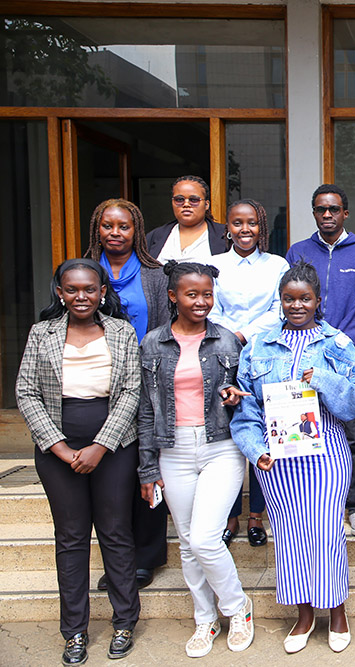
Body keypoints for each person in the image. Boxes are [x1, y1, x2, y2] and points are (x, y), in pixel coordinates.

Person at [231, 260, 355, 655]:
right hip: (277, 461)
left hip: (326, 455)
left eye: (304, 298)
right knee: (291, 537)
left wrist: (322, 378)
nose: (296, 305)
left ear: (318, 300)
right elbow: (246, 409)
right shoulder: (259, 346)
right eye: (289, 299)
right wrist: (256, 452)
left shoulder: (337, 343)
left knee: (325, 534)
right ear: (280, 301)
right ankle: (305, 614)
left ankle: (337, 611)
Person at [15, 258, 142, 665]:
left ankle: (124, 622)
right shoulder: (42, 333)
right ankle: (74, 632)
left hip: (115, 447)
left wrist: (100, 446)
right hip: (57, 451)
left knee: (116, 533)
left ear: (103, 292)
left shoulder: (121, 331)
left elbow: (131, 391)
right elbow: (26, 392)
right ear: (60, 293)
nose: (81, 296)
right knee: (70, 539)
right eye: (73, 289)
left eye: (90, 288)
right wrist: (61, 448)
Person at [136, 261, 254, 658]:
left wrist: (237, 397)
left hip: (221, 445)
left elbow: (246, 392)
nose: (201, 301)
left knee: (205, 536)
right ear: (173, 296)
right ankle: (205, 618)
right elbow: (146, 409)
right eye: (192, 294)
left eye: (207, 293)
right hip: (172, 448)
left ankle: (237, 609)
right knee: (187, 542)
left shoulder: (227, 341)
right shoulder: (152, 343)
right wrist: (148, 466)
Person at [85, 198, 170, 590]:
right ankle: (117, 558)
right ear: (97, 229)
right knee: (110, 475)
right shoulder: (84, 272)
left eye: (124, 226)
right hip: (97, 383)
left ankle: (147, 556)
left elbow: (167, 329)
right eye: (108, 226)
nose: (115, 233)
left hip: (146, 380)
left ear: (136, 230)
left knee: (146, 463)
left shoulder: (155, 275)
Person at [287, 184, 355, 538]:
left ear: (345, 213)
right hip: (301, 354)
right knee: (305, 432)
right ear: (314, 213)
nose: (328, 215)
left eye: (334, 209)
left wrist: (336, 348)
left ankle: (354, 507)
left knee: (353, 436)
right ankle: (313, 506)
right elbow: (293, 301)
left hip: (346, 356)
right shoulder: (298, 251)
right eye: (321, 209)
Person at [212, 198, 290, 549]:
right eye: (237, 223)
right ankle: (230, 515)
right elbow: (207, 306)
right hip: (219, 355)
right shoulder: (211, 265)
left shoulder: (277, 264)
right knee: (227, 434)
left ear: (262, 228)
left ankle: (257, 515)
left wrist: (244, 334)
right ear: (227, 227)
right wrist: (231, 335)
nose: (245, 229)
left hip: (264, 355)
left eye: (252, 223)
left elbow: (280, 308)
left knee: (262, 432)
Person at [147, 175, 228, 262]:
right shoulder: (155, 236)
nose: (186, 204)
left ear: (206, 205)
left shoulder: (225, 235)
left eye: (193, 200)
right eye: (179, 199)